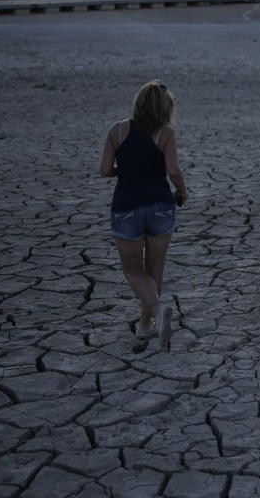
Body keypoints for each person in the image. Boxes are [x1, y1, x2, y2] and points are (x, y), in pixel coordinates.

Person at [100, 80, 188, 349]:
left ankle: (153, 316)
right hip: (160, 206)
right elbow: (172, 170)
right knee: (155, 269)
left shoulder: (118, 130)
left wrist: (124, 172)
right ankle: (147, 323)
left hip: (127, 207)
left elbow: (104, 170)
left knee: (132, 268)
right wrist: (181, 191)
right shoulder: (166, 134)